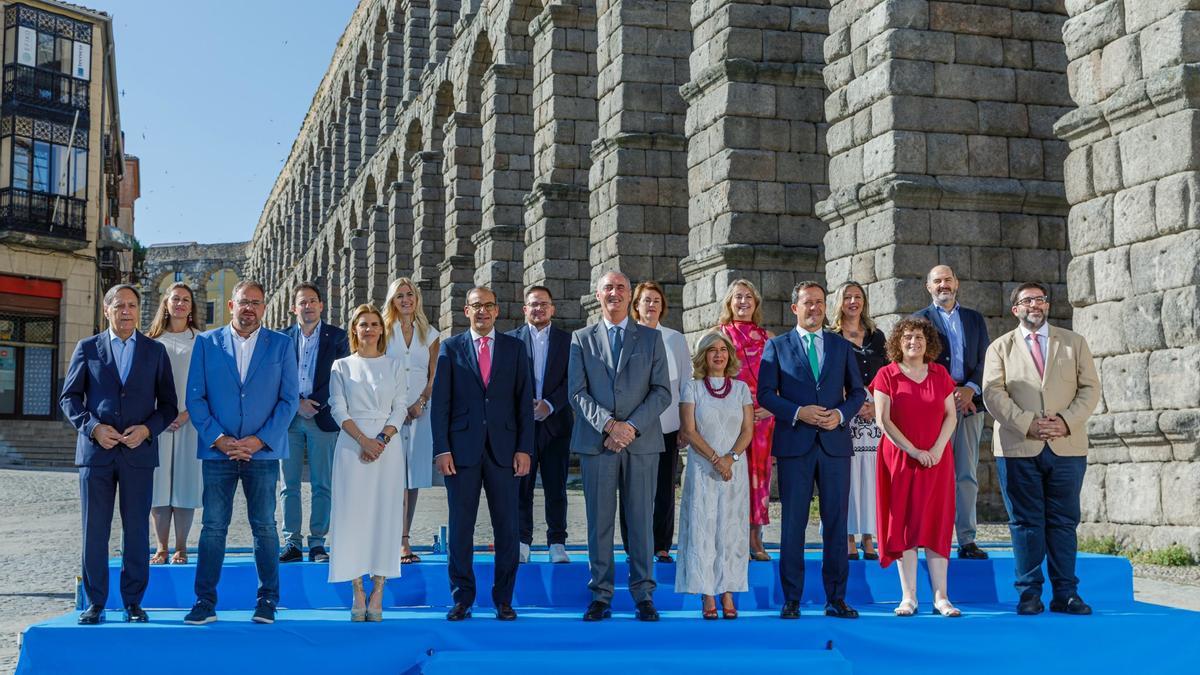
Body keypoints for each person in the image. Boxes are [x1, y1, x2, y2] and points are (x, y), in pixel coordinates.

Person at [61, 284, 178, 625]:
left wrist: (147, 429)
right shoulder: (87, 348)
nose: (127, 311)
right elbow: (70, 398)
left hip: (137, 454)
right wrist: (92, 427)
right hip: (96, 454)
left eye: (132, 305)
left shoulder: (155, 351)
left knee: (137, 531)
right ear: (106, 311)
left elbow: (169, 405)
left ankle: (133, 602)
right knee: (94, 530)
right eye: (120, 305)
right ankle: (95, 602)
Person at [183, 280, 299, 625]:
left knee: (264, 527)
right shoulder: (207, 343)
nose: (250, 308)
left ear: (265, 308)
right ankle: (204, 602)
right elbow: (195, 397)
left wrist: (260, 440)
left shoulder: (281, 344)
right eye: (244, 302)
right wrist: (218, 438)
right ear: (231, 306)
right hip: (218, 452)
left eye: (257, 303)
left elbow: (289, 399)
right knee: (213, 527)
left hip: (261, 454)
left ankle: (267, 601)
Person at [983, 283, 1101, 616]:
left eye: (1040, 299)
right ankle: (1029, 593)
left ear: (1047, 305)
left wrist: (1065, 421)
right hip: (1019, 446)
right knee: (1025, 523)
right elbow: (993, 394)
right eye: (1027, 301)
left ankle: (1066, 593)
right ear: (1015, 309)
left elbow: (1090, 389)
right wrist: (1027, 423)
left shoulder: (1074, 343)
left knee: (1064, 522)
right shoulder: (999, 348)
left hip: (1067, 445)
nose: (1034, 305)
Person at [758, 281, 865, 620]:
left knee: (836, 524)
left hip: (834, 446)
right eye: (808, 303)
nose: (815, 308)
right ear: (795, 308)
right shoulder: (776, 346)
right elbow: (765, 394)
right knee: (793, 525)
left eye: (820, 303)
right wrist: (797, 411)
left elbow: (858, 393)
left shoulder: (841, 345)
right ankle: (792, 598)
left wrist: (840, 415)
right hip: (795, 444)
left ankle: (836, 598)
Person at [568, 270, 671, 622]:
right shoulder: (581, 339)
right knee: (599, 523)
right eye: (608, 288)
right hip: (598, 443)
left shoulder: (650, 339)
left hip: (641, 443)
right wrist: (609, 425)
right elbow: (577, 392)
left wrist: (629, 427)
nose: (615, 293)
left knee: (641, 520)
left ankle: (644, 594)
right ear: (598, 295)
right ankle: (600, 594)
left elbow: (662, 392)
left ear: (630, 296)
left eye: (621, 288)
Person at [431, 286, 533, 621]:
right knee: (461, 527)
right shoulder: (450, 348)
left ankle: (504, 599)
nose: (483, 312)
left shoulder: (515, 349)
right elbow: (440, 405)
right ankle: (462, 598)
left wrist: (524, 449)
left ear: (498, 311)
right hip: (461, 452)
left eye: (489, 306)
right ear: (466, 311)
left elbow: (523, 404)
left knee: (508, 528)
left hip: (505, 451)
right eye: (477, 306)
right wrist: (442, 449)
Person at [873, 318, 961, 617]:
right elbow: (883, 420)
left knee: (937, 522)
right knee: (905, 524)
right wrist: (912, 450)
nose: (914, 342)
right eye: (908, 337)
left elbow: (951, 415)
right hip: (900, 459)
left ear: (929, 343)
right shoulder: (887, 375)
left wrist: (935, 450)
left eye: (920, 337)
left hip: (937, 460)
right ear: (898, 342)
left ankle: (941, 597)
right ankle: (908, 597)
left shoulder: (940, 374)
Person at [327, 304, 407, 621]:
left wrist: (381, 440)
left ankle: (379, 589)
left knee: (384, 515)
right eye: (363, 324)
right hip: (351, 446)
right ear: (355, 329)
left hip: (388, 447)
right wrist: (364, 441)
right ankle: (357, 588)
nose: (370, 329)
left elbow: (400, 407)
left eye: (375, 324)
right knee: (352, 517)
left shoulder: (395, 365)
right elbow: (337, 408)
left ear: (381, 329)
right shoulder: (341, 366)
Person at [675, 332, 753, 619]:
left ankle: (728, 589)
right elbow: (689, 430)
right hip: (703, 467)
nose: (718, 355)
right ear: (703, 356)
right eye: (712, 351)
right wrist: (715, 459)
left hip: (734, 468)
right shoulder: (692, 388)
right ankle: (707, 592)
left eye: (723, 350)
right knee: (703, 527)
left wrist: (730, 458)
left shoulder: (741, 389)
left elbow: (747, 430)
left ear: (730, 355)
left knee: (730, 528)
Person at [914, 265, 990, 560]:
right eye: (937, 281)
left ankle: (967, 539)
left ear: (956, 283)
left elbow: (986, 358)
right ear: (928, 286)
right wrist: (948, 394)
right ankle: (927, 535)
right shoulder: (919, 320)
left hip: (970, 405)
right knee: (928, 471)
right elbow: (916, 362)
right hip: (933, 407)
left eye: (947, 279)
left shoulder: (974, 318)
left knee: (966, 475)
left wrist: (971, 389)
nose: (943, 285)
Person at [619, 281, 690, 563]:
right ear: (636, 305)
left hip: (667, 425)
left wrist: (686, 425)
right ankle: (632, 545)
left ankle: (661, 544)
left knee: (664, 486)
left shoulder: (674, 339)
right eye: (646, 300)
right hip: (632, 426)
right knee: (631, 487)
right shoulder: (625, 336)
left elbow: (686, 384)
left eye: (656, 301)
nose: (651, 305)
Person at [280, 282, 350, 564]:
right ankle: (292, 541)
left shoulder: (338, 338)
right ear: (294, 308)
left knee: (323, 483)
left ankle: (318, 543)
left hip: (322, 417)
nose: (307, 306)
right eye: (302, 302)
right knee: (289, 484)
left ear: (321, 305)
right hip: (289, 418)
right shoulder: (282, 339)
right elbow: (277, 377)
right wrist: (297, 402)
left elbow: (341, 375)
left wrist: (314, 402)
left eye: (312, 301)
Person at [508, 285, 574, 564]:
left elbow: (573, 380)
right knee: (521, 485)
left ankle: (557, 542)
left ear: (552, 308)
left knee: (556, 486)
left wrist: (550, 404)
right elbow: (506, 383)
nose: (538, 309)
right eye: (533, 304)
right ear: (525, 309)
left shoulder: (569, 341)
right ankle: (522, 540)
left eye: (543, 304)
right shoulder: (511, 341)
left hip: (556, 423)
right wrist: (525, 408)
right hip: (522, 426)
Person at [716, 280, 775, 561]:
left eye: (748, 297)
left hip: (762, 418)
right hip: (730, 417)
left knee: (758, 478)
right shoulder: (719, 335)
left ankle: (755, 538)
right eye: (737, 297)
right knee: (730, 475)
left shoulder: (769, 338)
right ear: (729, 302)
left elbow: (780, 380)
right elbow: (708, 377)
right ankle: (729, 539)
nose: (743, 302)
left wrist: (772, 407)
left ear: (756, 303)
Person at [146, 282, 204, 565]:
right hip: (158, 423)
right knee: (159, 485)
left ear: (192, 306)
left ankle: (181, 547)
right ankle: (161, 547)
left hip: (191, 422)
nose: (180, 303)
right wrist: (160, 416)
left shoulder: (203, 342)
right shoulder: (150, 341)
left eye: (186, 299)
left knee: (185, 483)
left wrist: (187, 413)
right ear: (166, 304)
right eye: (175, 299)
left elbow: (208, 385)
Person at [828, 281, 887, 561]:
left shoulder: (877, 336)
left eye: (858, 297)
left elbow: (889, 373)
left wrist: (876, 404)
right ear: (839, 302)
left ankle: (869, 537)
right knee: (848, 473)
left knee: (872, 472)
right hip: (844, 408)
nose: (853, 302)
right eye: (848, 297)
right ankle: (848, 536)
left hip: (875, 409)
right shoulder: (831, 336)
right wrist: (850, 404)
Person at [383, 277, 440, 564]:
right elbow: (376, 370)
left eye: (410, 294)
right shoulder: (382, 331)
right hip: (388, 414)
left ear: (416, 299)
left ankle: (404, 539)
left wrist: (418, 403)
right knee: (391, 475)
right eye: (399, 296)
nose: (405, 300)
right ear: (392, 301)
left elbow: (433, 375)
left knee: (412, 477)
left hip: (420, 413)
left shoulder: (429, 334)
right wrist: (396, 408)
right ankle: (390, 537)